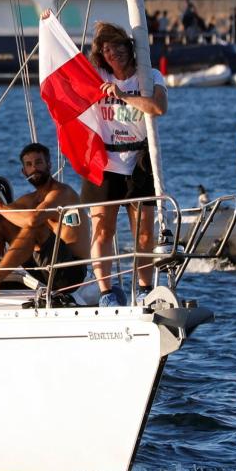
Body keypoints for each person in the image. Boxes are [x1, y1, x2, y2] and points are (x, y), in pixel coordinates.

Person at [81, 21, 169, 305]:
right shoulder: (98, 75)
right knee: (103, 229)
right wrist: (49, 24)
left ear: (129, 48)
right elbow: (68, 71)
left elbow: (158, 108)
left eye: (117, 46)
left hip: (138, 160)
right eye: (106, 49)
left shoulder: (148, 76)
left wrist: (122, 96)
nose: (112, 53)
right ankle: (107, 292)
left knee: (143, 233)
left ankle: (143, 290)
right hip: (105, 160)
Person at [0, 143, 90, 301]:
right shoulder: (30, 199)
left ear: (49, 165)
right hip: (45, 271)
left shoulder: (61, 193)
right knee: (1, 224)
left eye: (38, 162)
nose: (34, 168)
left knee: (34, 227)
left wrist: (0, 208)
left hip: (71, 273)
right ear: (24, 172)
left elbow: (33, 219)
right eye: (29, 165)